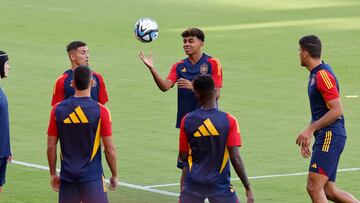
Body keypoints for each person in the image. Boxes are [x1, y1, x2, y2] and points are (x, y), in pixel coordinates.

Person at [139, 27, 223, 190]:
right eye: (184, 41)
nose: (186, 44)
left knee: (212, 162)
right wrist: (152, 69)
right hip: (187, 122)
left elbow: (217, 94)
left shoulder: (212, 63)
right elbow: (165, 86)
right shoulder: (179, 66)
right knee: (185, 164)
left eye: (191, 41)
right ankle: (184, 197)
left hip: (208, 121)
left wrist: (194, 87)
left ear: (201, 43)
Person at [296, 35, 359, 203]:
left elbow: (337, 109)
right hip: (327, 136)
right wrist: (309, 133)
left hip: (330, 135)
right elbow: (320, 111)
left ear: (305, 53)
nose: (298, 54)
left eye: (299, 50)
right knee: (328, 190)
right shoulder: (315, 74)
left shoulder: (322, 75)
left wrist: (310, 129)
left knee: (314, 187)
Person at [178, 75, 254, 203]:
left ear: (196, 94)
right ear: (215, 92)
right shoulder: (229, 121)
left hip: (193, 184)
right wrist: (248, 187)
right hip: (219, 185)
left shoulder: (186, 120)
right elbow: (235, 158)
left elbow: (183, 156)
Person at [47, 66, 118, 203]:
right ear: (92, 83)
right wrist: (114, 175)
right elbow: (109, 149)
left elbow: (51, 146)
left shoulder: (57, 110)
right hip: (92, 177)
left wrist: (52, 174)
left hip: (67, 177)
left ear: (72, 83)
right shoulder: (101, 111)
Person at [51, 41, 108, 106]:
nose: (87, 56)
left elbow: (103, 106)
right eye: (83, 53)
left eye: (87, 52)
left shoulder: (98, 77)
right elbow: (57, 110)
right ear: (73, 57)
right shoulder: (61, 81)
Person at [0, 50, 12, 193]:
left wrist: (7, 147)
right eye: (6, 63)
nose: (8, 67)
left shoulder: (1, 90)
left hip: (2, 150)